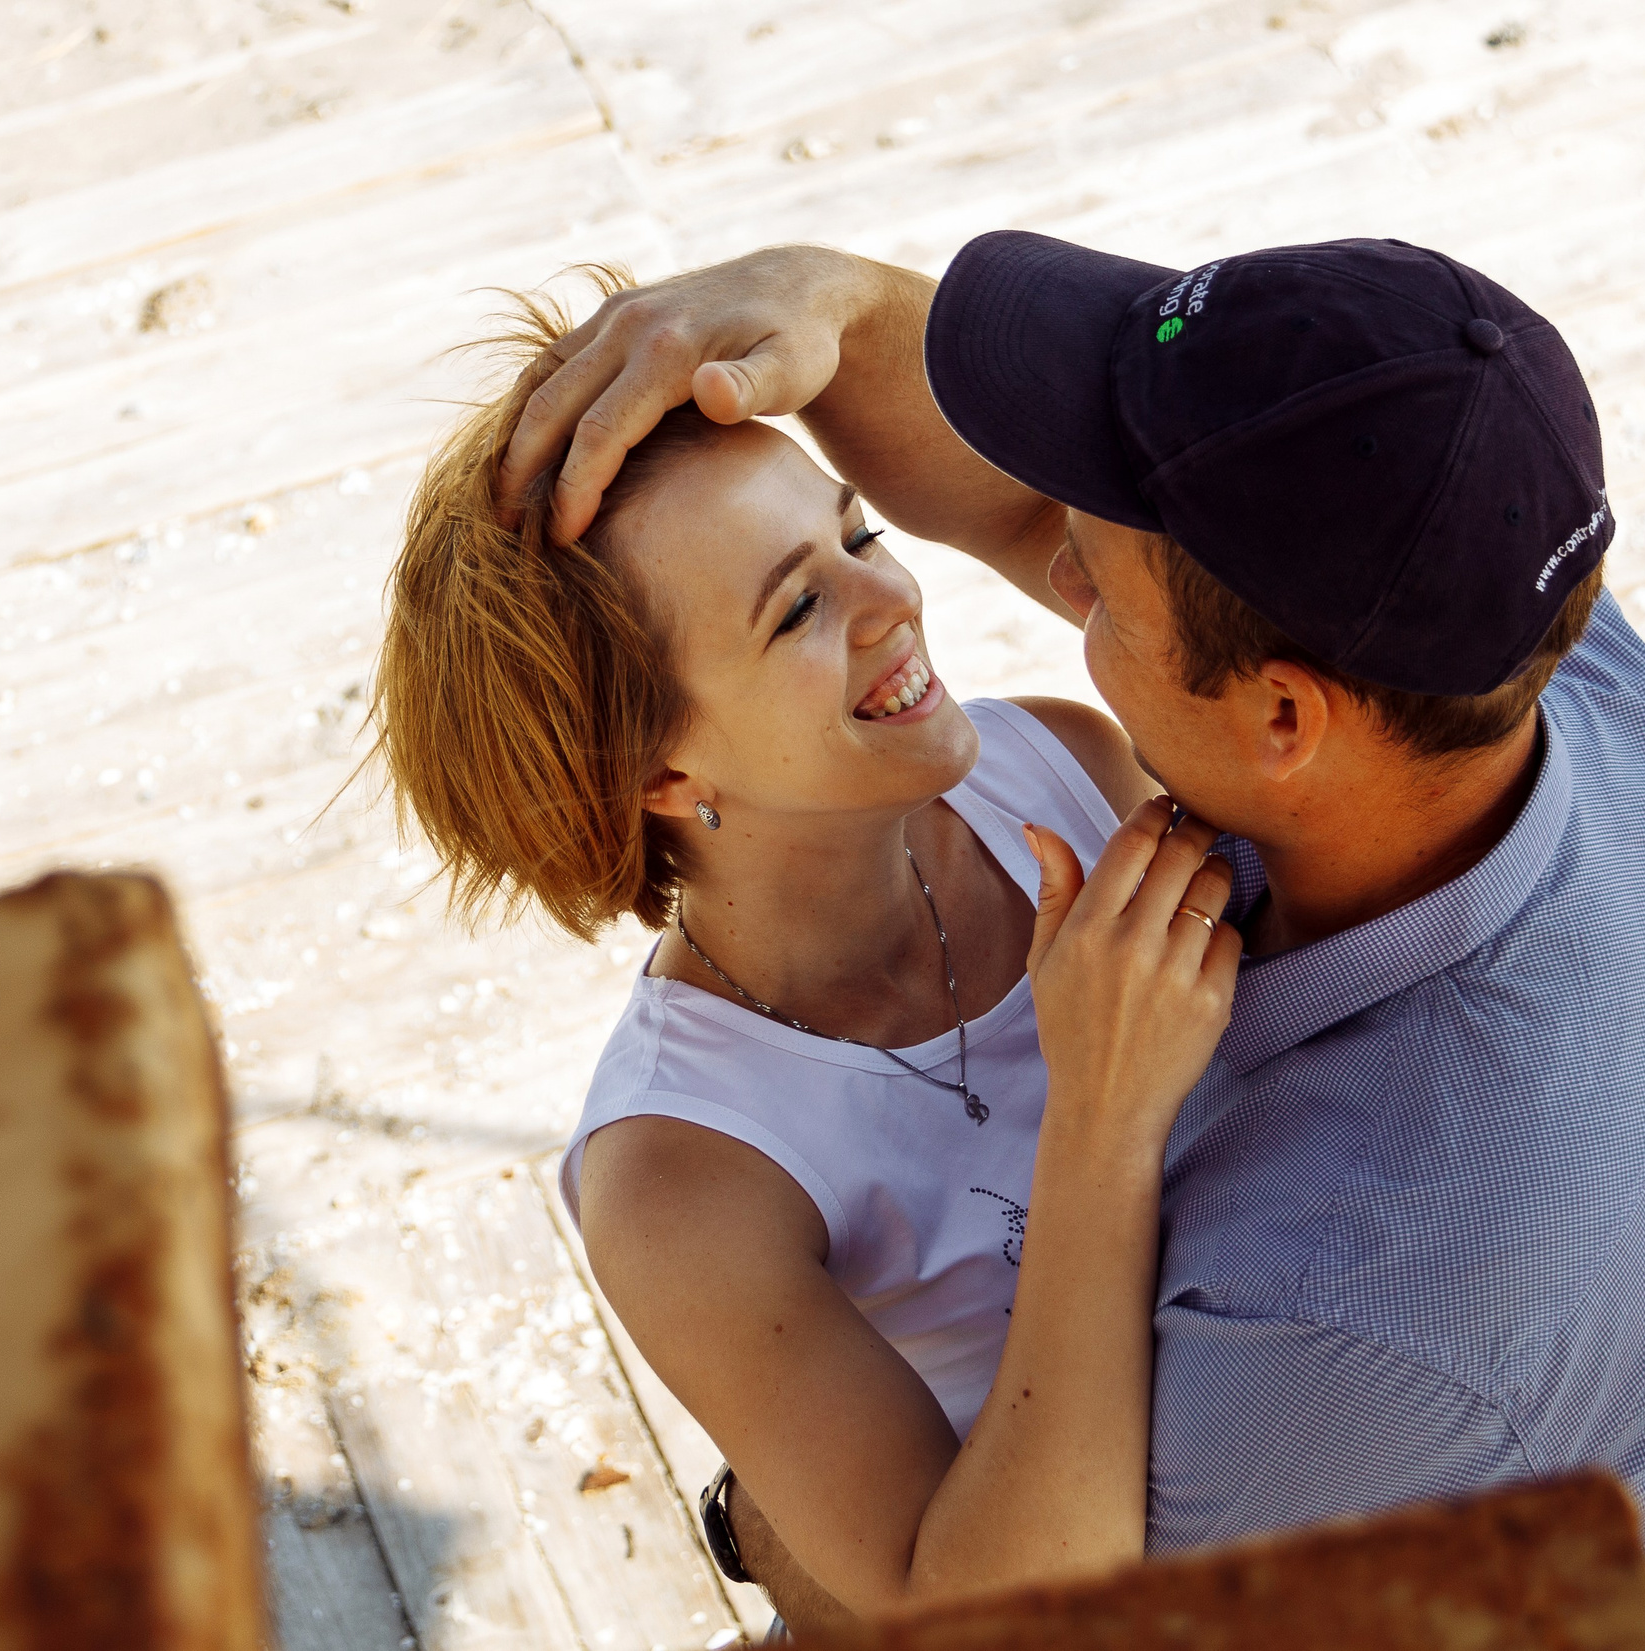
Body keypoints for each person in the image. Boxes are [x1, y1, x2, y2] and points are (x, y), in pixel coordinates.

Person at [498, 236, 1645, 1651]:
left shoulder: (1324, 1323)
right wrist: (843, 303)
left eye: (1103, 588)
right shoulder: (1572, 670)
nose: (1043, 567)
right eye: (806, 591)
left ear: (1284, 722)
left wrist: (770, 1532)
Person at [369, 278, 1247, 1618]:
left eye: (860, 533)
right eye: (795, 612)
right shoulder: (680, 1175)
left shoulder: (1065, 766)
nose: (890, 601)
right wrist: (1102, 1121)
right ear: (657, 773)